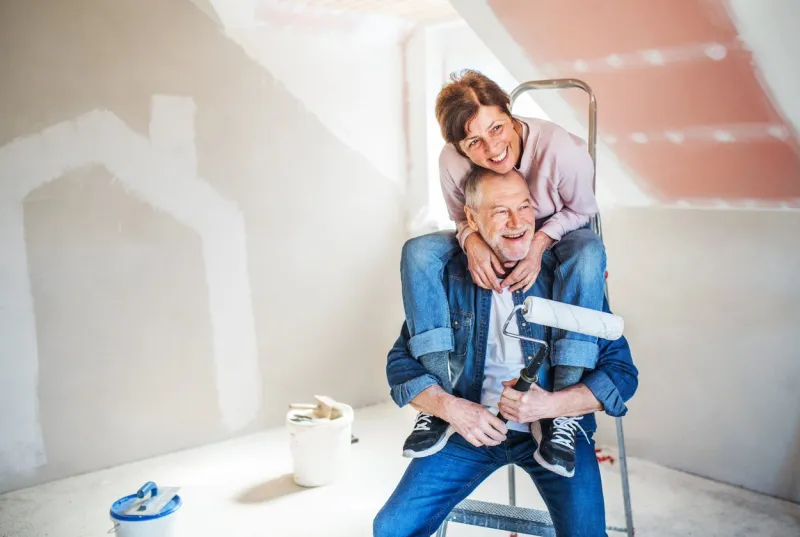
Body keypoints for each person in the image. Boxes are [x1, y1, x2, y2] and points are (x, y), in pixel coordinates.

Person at [375, 168, 638, 537]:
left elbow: (622, 373)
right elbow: (401, 362)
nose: (517, 222)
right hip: (469, 429)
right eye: (500, 211)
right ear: (471, 219)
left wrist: (548, 407)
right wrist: (450, 408)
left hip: (553, 432)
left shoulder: (569, 276)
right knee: (392, 529)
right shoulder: (448, 276)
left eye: (525, 207)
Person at [401, 70, 606, 478]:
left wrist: (539, 244)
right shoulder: (451, 162)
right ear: (458, 146)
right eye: (473, 141)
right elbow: (462, 217)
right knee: (419, 251)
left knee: (588, 251)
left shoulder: (559, 151)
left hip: (553, 236)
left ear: (512, 116)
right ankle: (440, 403)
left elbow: (583, 211)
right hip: (489, 237)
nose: (492, 148)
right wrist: (471, 241)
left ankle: (559, 417)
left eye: (497, 128)